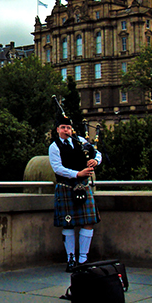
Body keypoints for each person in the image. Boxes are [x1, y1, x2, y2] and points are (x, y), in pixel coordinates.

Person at [49, 116, 102, 272]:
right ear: (57, 130)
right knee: (68, 223)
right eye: (63, 127)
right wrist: (78, 173)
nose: (66, 130)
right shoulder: (54, 146)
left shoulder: (80, 141)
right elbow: (57, 168)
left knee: (88, 222)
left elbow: (96, 153)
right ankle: (70, 259)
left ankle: (83, 259)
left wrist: (95, 161)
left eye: (68, 127)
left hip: (83, 186)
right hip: (66, 187)